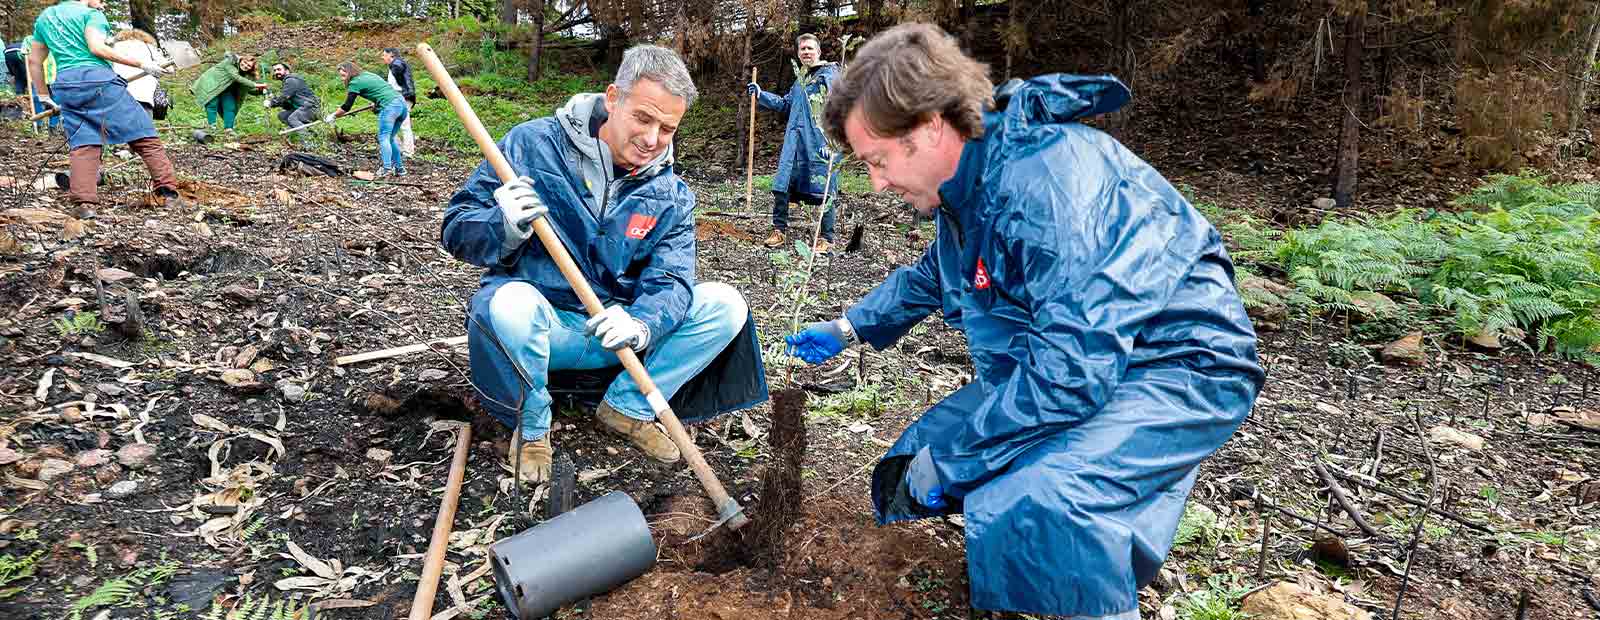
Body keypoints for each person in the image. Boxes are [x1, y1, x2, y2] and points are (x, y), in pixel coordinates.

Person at [783, 24, 1263, 619]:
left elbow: (1071, 369)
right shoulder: (974, 178)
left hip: (1177, 362)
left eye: (878, 161)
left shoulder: (1049, 187)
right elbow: (937, 273)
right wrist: (850, 327)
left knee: (1043, 494)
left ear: (930, 126)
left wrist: (959, 464)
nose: (878, 183)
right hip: (1086, 358)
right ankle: (1047, 569)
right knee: (920, 457)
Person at [442, 45, 767, 483]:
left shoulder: (671, 195)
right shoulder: (532, 146)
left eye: (667, 128)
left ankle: (628, 407)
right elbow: (457, 228)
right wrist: (503, 224)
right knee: (508, 303)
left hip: (617, 336)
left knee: (725, 305)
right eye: (643, 118)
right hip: (545, 329)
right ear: (613, 98)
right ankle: (532, 426)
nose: (652, 139)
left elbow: (672, 278)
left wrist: (642, 323)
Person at [28, 0, 183, 213]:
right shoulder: (91, 15)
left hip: (66, 85)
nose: (101, 3)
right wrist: (142, 64)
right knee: (144, 133)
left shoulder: (45, 18)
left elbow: (34, 61)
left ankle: (84, 204)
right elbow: (96, 48)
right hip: (98, 81)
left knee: (84, 142)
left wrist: (43, 95)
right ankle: (167, 193)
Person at [747, 33, 841, 253]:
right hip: (795, 142)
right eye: (802, 49)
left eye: (810, 48)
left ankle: (827, 238)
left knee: (824, 188)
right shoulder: (800, 80)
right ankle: (779, 231)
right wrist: (761, 95)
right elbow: (786, 104)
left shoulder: (829, 74)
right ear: (798, 54)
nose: (806, 52)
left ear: (818, 52)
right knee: (783, 185)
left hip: (818, 142)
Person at [328, 61, 408, 177]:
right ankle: (400, 169)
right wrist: (376, 102)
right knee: (390, 138)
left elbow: (347, 106)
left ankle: (387, 169)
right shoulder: (368, 74)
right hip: (401, 103)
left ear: (349, 72)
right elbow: (382, 90)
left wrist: (333, 115)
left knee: (384, 137)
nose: (342, 79)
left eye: (343, 75)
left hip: (389, 106)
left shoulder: (354, 82)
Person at [190, 52, 266, 136]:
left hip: (226, 89)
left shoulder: (246, 75)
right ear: (241, 60)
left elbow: (246, 88)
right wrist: (256, 85)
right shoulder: (229, 62)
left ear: (251, 68)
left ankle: (229, 129)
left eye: (248, 66)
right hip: (212, 84)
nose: (245, 66)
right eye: (245, 62)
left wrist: (260, 90)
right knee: (212, 104)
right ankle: (212, 127)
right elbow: (236, 77)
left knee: (230, 106)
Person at [109, 28, 163, 117]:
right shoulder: (148, 46)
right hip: (142, 97)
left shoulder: (114, 48)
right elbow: (169, 69)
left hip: (117, 95)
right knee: (143, 124)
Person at [19, 35, 62, 132]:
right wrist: (25, 54)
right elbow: (22, 55)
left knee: (56, 100)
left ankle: (53, 126)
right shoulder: (29, 39)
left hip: (53, 75)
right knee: (37, 99)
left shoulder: (54, 38)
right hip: (37, 76)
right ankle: (38, 125)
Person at [264, 62, 321, 133]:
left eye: (279, 69)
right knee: (283, 116)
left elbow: (284, 97)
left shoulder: (291, 80)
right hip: (305, 107)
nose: (276, 72)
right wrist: (273, 99)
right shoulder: (288, 81)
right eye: (275, 70)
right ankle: (309, 133)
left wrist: (271, 103)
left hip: (312, 107)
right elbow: (286, 103)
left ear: (287, 70)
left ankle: (307, 138)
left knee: (293, 119)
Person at [381, 47, 416, 157]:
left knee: (404, 125)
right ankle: (400, 148)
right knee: (393, 124)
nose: (382, 57)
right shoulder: (394, 65)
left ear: (391, 55)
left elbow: (400, 85)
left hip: (402, 97)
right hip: (399, 97)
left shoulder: (396, 64)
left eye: (384, 55)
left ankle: (408, 151)